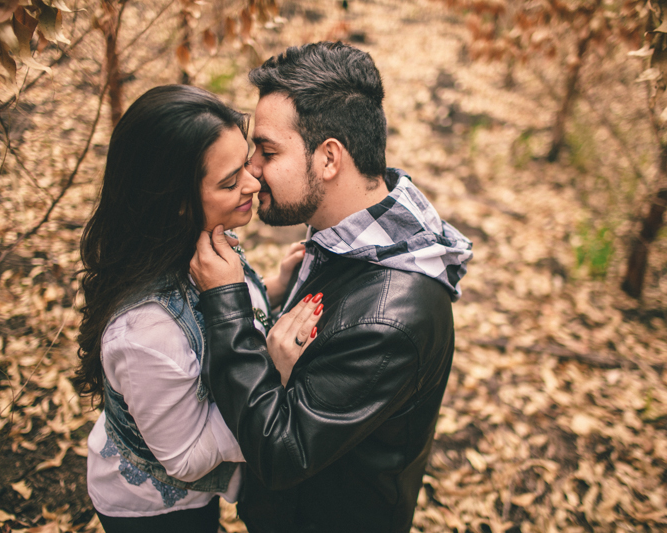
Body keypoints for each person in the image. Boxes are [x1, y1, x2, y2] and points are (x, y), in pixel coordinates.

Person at [190, 42, 474, 533]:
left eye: (268, 151)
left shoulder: (389, 323)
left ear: (328, 159)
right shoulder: (353, 235)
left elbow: (282, 453)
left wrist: (227, 307)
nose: (251, 171)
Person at [74, 85, 322, 533]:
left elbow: (202, 319)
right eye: (229, 182)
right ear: (178, 202)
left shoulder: (199, 244)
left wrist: (273, 286)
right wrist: (273, 372)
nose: (253, 181)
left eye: (246, 163)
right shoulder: (144, 334)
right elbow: (185, 458)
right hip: (156, 510)